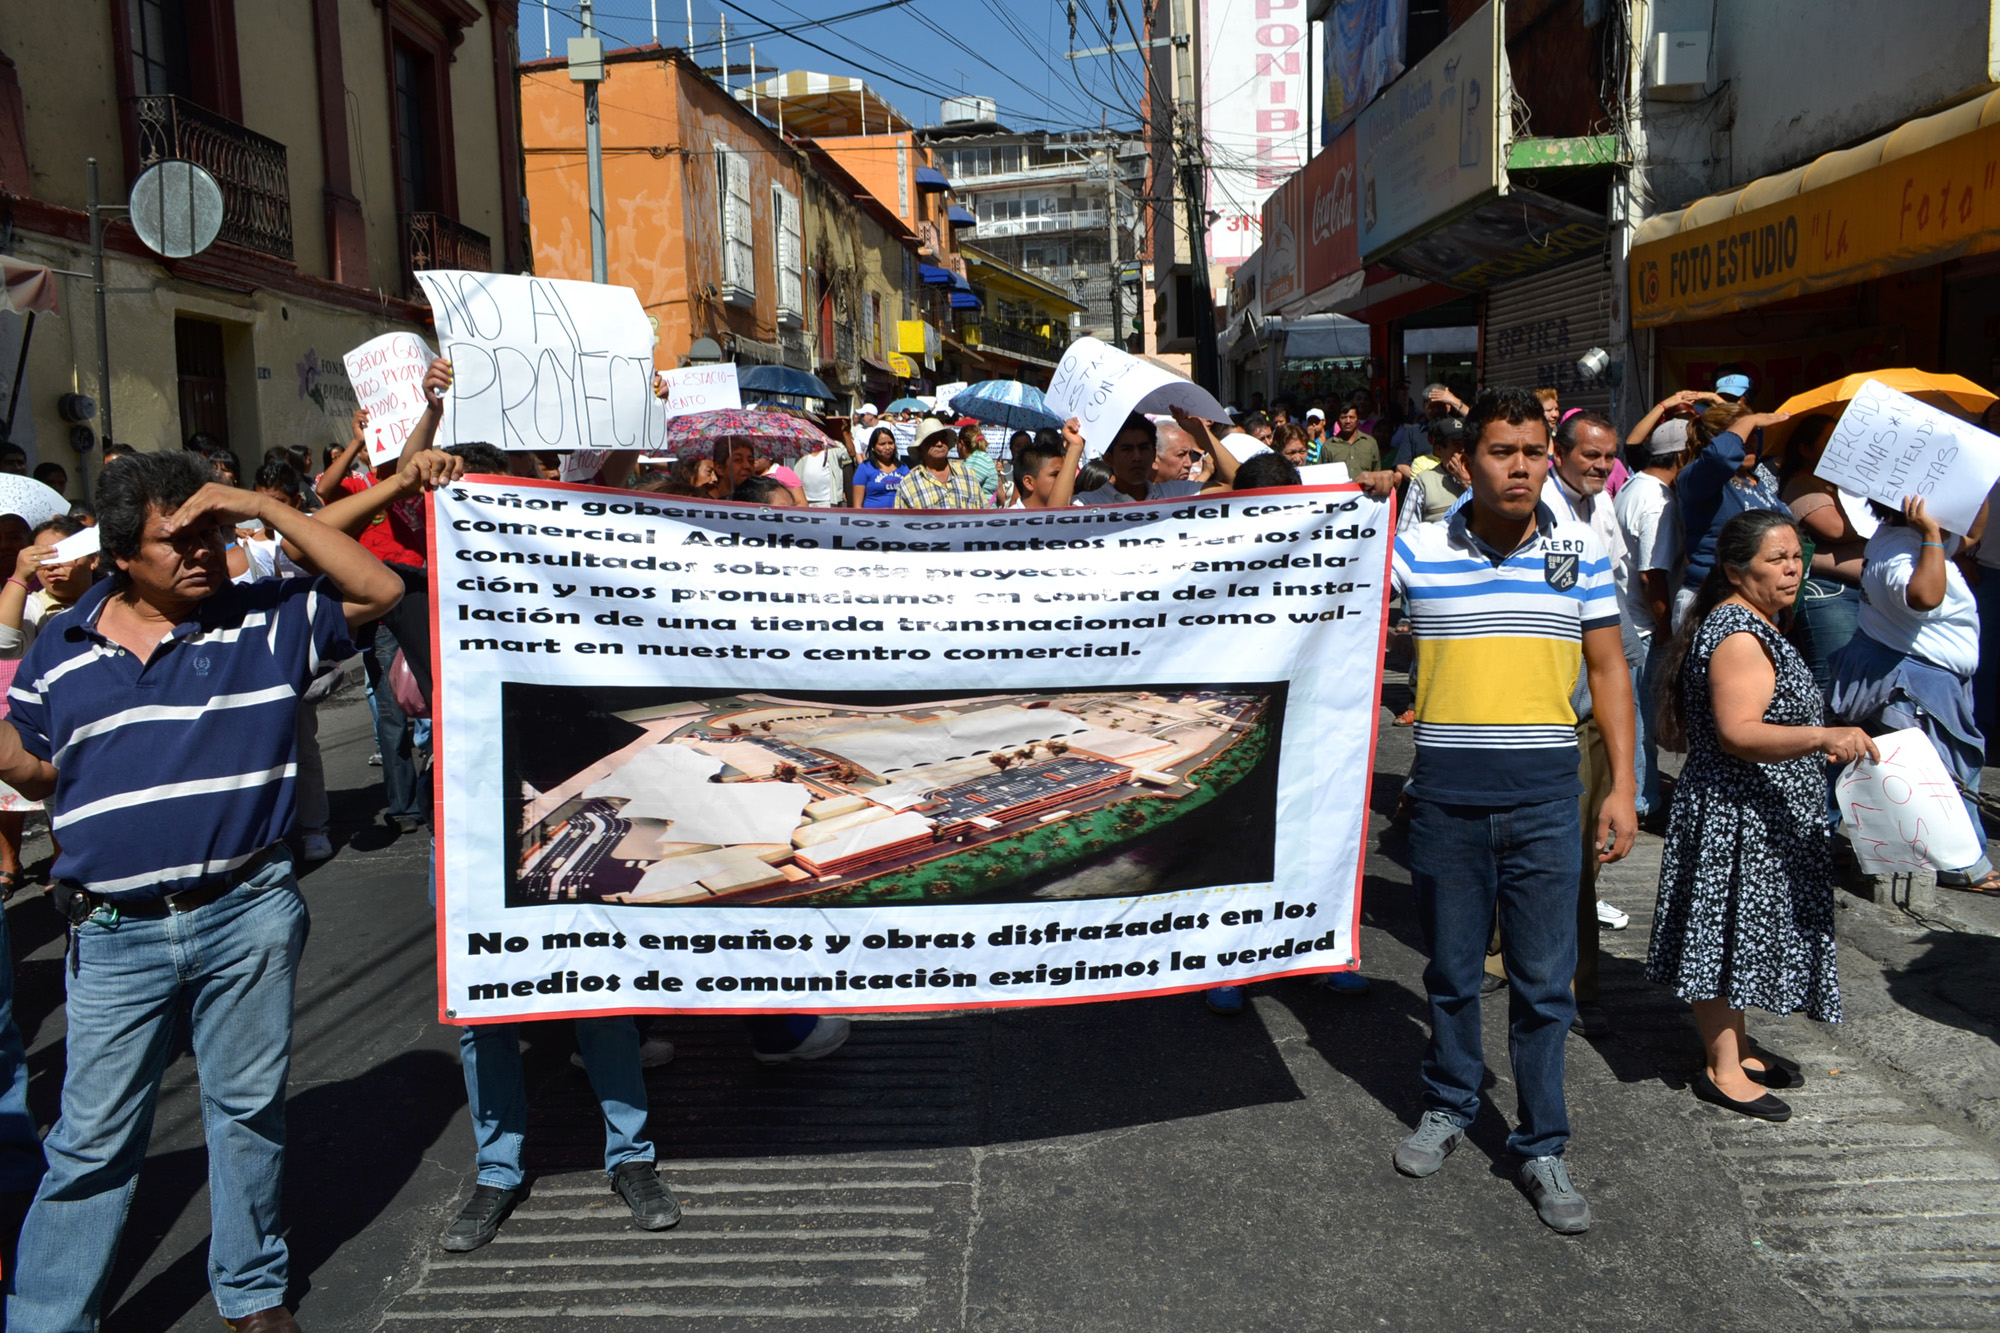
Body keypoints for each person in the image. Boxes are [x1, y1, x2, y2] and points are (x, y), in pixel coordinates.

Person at [0, 449, 401, 1333]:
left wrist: (258, 503)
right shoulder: (61, 647)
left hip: (246, 911)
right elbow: (38, 769)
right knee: (91, 1142)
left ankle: (252, 1290)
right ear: (118, 555)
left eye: (211, 533)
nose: (200, 552)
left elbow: (378, 588)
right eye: (175, 539)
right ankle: (47, 1319)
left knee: (246, 1112)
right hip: (114, 932)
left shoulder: (264, 617)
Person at [1387, 386, 1635, 1236]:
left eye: (1533, 451)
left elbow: (1608, 669)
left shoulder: (1577, 551)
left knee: (1542, 984)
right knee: (1452, 973)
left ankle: (1541, 1142)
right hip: (1446, 803)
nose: (1521, 467)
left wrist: (1623, 786)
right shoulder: (1414, 551)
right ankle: (1450, 1100)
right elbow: (1332, 617)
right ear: (1465, 461)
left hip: (1546, 801)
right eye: (1503, 451)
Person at [1649, 509, 1868, 1122]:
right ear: (1734, 569)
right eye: (1777, 559)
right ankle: (1722, 1069)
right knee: (1721, 936)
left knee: (1738, 934)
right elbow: (1739, 732)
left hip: (1755, 812)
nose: (1793, 569)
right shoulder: (1739, 634)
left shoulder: (1756, 622)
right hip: (1735, 814)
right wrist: (1822, 736)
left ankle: (1737, 1049)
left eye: (1796, 556)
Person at [1828, 495, 1999, 892]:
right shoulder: (1902, 551)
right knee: (1944, 773)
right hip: (1913, 680)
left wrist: (1980, 486)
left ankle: (1824, 836)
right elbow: (1924, 597)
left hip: (1914, 672)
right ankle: (1962, 865)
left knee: (1877, 766)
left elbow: (1972, 534)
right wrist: (1931, 534)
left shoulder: (1904, 537)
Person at [1615, 419, 1694, 826]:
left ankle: (1640, 794)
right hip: (1643, 627)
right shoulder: (1657, 499)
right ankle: (1642, 802)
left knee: (1634, 717)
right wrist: (1665, 630)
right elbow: (1651, 574)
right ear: (1682, 456)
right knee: (1641, 720)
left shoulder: (1634, 485)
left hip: (1630, 620)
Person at [1674, 400, 1791, 626]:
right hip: (1712, 601)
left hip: (1760, 602)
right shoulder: (1697, 480)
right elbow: (1722, 457)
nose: (1750, 441)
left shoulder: (1757, 482)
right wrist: (1749, 419)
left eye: (1755, 433)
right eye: (1743, 434)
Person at [1778, 415, 1867, 691]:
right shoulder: (1802, 483)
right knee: (1833, 680)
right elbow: (1835, 528)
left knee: (1853, 679)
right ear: (1805, 449)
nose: (1841, 445)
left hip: (1858, 592)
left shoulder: (1843, 484)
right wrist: (1883, 517)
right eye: (1830, 440)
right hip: (1828, 593)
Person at [1076, 412, 1241, 504]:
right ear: (1108, 458)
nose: (1137, 457)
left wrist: (1200, 432)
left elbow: (1240, 485)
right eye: (1127, 449)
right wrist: (1074, 448)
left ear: (1154, 455)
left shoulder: (1176, 494)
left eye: (1144, 448)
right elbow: (1060, 522)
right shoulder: (1089, 504)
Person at [896, 420, 987, 509]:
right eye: (932, 439)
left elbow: (984, 512)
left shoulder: (967, 475)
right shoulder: (908, 485)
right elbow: (900, 518)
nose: (939, 443)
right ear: (920, 448)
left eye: (942, 438)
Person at [1011, 422, 1086, 509]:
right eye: (1055, 475)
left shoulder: (1077, 510)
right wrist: (1075, 448)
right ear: (1029, 482)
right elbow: (1056, 514)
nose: (1064, 478)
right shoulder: (1007, 517)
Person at [1318, 401, 1381, 479]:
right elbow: (1322, 476)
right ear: (1338, 421)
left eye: (1352, 417)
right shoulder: (1329, 446)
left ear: (1358, 419)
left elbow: (1377, 473)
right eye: (1343, 417)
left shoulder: (1370, 443)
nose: (1348, 421)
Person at [852, 428, 907, 509]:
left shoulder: (903, 468)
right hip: (873, 516)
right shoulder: (864, 468)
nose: (887, 447)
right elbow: (857, 506)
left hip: (900, 516)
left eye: (890, 443)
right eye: (882, 444)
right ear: (873, 447)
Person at [795, 429, 850, 508]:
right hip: (806, 500)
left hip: (827, 501)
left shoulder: (833, 446)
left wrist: (845, 433)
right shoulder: (804, 447)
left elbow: (851, 453)